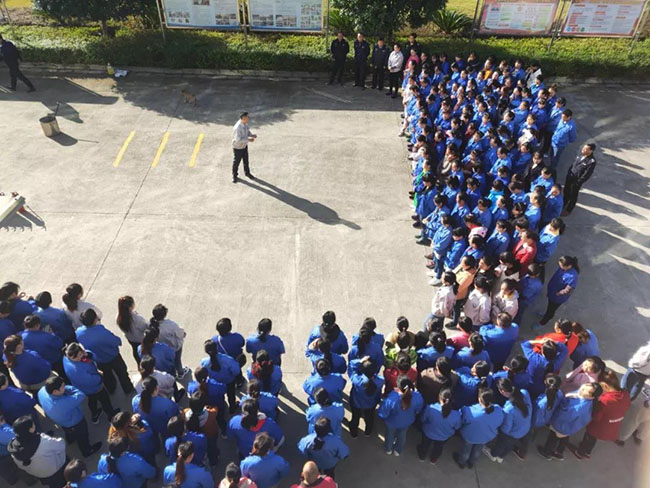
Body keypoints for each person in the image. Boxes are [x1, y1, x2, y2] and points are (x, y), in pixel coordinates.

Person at [569, 369, 630, 459]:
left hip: (599, 426)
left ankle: (580, 452)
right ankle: (588, 452)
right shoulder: (625, 394)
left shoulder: (606, 400)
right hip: (612, 426)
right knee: (593, 439)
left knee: (589, 437)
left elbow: (596, 417)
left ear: (605, 385)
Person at [37, 376, 102, 458]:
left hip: (62, 421)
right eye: (63, 386)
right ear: (55, 391)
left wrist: (63, 389)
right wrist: (68, 388)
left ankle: (71, 439)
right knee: (82, 436)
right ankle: (87, 451)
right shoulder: (64, 402)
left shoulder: (42, 391)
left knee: (68, 431)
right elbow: (81, 395)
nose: (65, 387)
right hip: (75, 422)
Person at [537, 382, 602, 460]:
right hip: (570, 427)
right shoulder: (588, 401)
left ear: (592, 396)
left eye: (584, 390)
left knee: (553, 437)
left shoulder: (579, 407)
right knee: (564, 438)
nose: (581, 389)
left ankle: (547, 452)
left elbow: (563, 415)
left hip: (561, 425)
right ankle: (559, 452)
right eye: (583, 387)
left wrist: (564, 400)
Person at [76, 308, 134, 395]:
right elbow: (117, 341)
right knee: (122, 374)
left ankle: (111, 389)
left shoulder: (79, 332)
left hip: (98, 359)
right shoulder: (101, 332)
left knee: (107, 376)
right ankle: (128, 389)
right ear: (94, 320)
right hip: (113, 357)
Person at [63, 343, 117, 424]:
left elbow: (91, 356)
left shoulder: (66, 358)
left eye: (81, 354)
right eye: (77, 356)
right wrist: (100, 377)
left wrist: (88, 354)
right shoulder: (76, 369)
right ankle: (111, 416)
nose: (80, 357)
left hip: (84, 389)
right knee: (105, 401)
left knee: (92, 400)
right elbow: (90, 380)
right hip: (95, 387)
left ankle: (95, 415)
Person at [513, 374, 563, 460]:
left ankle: (522, 452)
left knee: (528, 434)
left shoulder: (542, 402)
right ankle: (530, 439)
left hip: (535, 420)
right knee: (534, 432)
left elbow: (536, 413)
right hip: (544, 419)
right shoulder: (559, 394)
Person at [9, 416, 66, 488]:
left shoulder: (13, 448)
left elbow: (21, 466)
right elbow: (61, 445)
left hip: (40, 475)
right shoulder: (43, 441)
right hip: (56, 471)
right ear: (31, 429)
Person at [454, 388, 504, 469]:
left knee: (466, 450)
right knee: (477, 450)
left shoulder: (469, 411)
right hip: (486, 436)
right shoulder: (498, 410)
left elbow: (461, 420)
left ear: (480, 399)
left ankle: (462, 462)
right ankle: (471, 462)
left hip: (470, 436)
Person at [484, 378, 532, 463]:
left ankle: (493, 455)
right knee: (509, 445)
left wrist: (500, 432)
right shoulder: (524, 392)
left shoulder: (509, 409)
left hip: (513, 432)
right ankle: (501, 457)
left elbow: (506, 427)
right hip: (524, 428)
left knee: (501, 444)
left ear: (502, 391)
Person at [378, 376, 424, 456]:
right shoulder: (418, 396)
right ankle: (398, 451)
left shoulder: (392, 398)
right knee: (402, 435)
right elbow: (418, 410)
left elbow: (383, 413)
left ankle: (388, 449)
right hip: (407, 422)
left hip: (392, 423)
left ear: (398, 387)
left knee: (389, 435)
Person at [535, 256, 580, 330]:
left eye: (561, 266)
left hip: (557, 298)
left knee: (551, 310)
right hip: (552, 291)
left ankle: (543, 322)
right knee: (549, 306)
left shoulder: (573, 276)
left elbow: (568, 290)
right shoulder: (563, 268)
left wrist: (558, 293)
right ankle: (546, 314)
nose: (560, 267)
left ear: (568, 266)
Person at [418, 388, 461, 464]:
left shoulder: (430, 408)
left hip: (428, 432)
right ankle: (433, 460)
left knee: (424, 445)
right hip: (444, 436)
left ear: (439, 397)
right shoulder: (457, 415)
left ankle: (422, 457)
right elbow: (457, 427)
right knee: (438, 448)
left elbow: (423, 419)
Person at [150, 304, 190, 380]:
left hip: (162, 349)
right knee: (177, 360)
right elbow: (180, 333)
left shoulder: (151, 325)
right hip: (174, 347)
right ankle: (180, 373)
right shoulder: (171, 325)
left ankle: (172, 374)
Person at [200, 339, 241, 413]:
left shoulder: (204, 362)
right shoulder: (228, 360)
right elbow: (236, 371)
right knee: (231, 395)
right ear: (217, 348)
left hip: (216, 384)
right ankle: (232, 407)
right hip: (229, 382)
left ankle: (221, 407)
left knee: (219, 396)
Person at [348, 358, 383, 437]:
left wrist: (360, 361)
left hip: (356, 403)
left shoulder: (357, 380)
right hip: (371, 404)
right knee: (369, 418)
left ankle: (354, 433)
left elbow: (351, 367)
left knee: (355, 418)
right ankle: (368, 432)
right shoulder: (380, 381)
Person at [562, 143, 597, 215]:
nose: (583, 150)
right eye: (583, 148)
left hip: (576, 181)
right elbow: (573, 164)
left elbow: (587, 174)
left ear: (591, 151)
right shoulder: (580, 155)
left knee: (573, 195)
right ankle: (564, 203)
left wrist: (578, 182)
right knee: (566, 191)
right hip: (570, 177)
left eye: (586, 149)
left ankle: (568, 209)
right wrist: (569, 172)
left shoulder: (591, 161)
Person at [213, 317, 246, 386]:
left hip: (223, 362)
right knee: (237, 371)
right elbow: (242, 343)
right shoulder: (237, 337)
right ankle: (239, 381)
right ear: (230, 328)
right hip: (236, 359)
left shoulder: (214, 340)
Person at [116, 296, 148, 364]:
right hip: (140, 340)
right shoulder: (136, 318)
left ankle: (139, 364)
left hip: (130, 339)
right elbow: (145, 327)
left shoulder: (119, 317)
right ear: (130, 307)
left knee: (135, 351)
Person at [232, 112, 257, 183]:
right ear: (243, 119)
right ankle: (234, 176)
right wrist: (248, 139)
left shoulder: (245, 123)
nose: (248, 119)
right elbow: (238, 140)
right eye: (246, 118)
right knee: (236, 162)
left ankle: (247, 173)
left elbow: (247, 131)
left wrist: (251, 135)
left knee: (246, 160)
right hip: (238, 147)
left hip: (244, 146)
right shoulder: (237, 128)